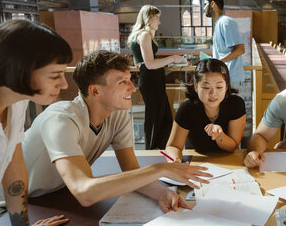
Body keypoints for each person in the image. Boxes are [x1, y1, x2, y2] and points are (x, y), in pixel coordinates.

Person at [22, 50, 211, 212]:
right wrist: (160, 169)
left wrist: (162, 193)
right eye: (122, 82)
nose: (133, 88)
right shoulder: (61, 119)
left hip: (59, 194)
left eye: (130, 79)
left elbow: (130, 170)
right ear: (95, 91)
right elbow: (85, 191)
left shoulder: (117, 115)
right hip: (24, 201)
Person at [0, 19, 72, 226]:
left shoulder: (15, 101)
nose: (63, 84)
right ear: (19, 69)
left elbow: (13, 166)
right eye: (55, 75)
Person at [165, 59, 246, 161]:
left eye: (219, 87)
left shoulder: (235, 105)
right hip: (196, 162)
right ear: (196, 87)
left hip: (229, 162)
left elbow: (232, 147)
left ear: (226, 87)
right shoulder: (187, 109)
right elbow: (173, 146)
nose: (213, 93)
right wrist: (174, 160)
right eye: (206, 87)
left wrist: (219, 136)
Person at [128, 5, 185, 149]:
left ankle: (157, 149)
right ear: (148, 19)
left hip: (150, 79)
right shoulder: (145, 35)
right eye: (157, 18)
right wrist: (172, 58)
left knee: (161, 117)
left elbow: (138, 63)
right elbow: (150, 64)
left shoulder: (138, 35)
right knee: (157, 118)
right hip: (151, 79)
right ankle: (153, 150)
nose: (159, 22)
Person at [204, 0, 246, 91]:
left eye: (205, 4)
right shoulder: (219, 23)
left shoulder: (225, 22)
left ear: (213, 4)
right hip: (224, 78)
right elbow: (223, 51)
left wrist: (218, 61)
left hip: (230, 79)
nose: (204, 8)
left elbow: (240, 49)